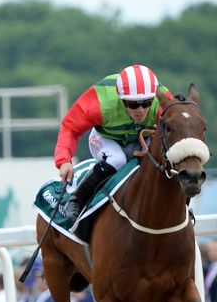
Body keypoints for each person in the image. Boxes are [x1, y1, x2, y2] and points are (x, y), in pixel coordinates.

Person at [54, 64, 171, 219]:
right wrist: (64, 161)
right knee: (117, 159)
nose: (141, 110)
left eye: (146, 103)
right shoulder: (101, 101)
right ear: (122, 99)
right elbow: (70, 127)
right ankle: (77, 199)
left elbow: (178, 127)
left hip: (141, 139)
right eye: (133, 104)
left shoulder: (162, 99)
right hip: (105, 138)